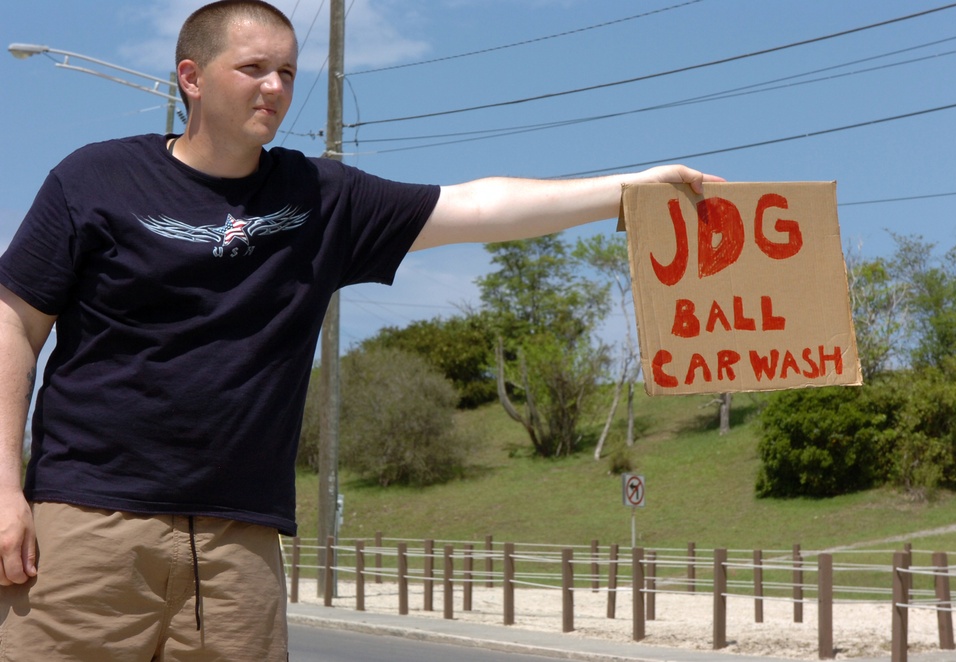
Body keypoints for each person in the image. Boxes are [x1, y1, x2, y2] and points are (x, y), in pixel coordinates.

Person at [0, 1, 722, 660]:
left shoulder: (322, 197)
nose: (275, 88)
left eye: (286, 71)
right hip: (88, 525)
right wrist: (5, 490)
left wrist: (628, 191)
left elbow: (479, 205)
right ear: (190, 76)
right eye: (253, 68)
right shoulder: (94, 179)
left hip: (238, 545)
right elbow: (14, 325)